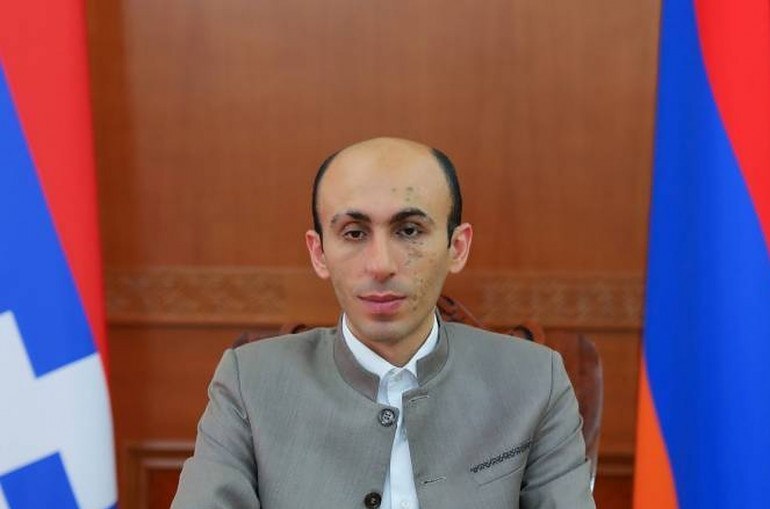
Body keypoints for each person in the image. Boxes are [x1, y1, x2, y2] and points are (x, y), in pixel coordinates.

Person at [171, 137, 595, 508]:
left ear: (457, 247)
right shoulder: (250, 382)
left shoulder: (534, 380)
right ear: (319, 253)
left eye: (409, 231)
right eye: (354, 233)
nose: (380, 265)